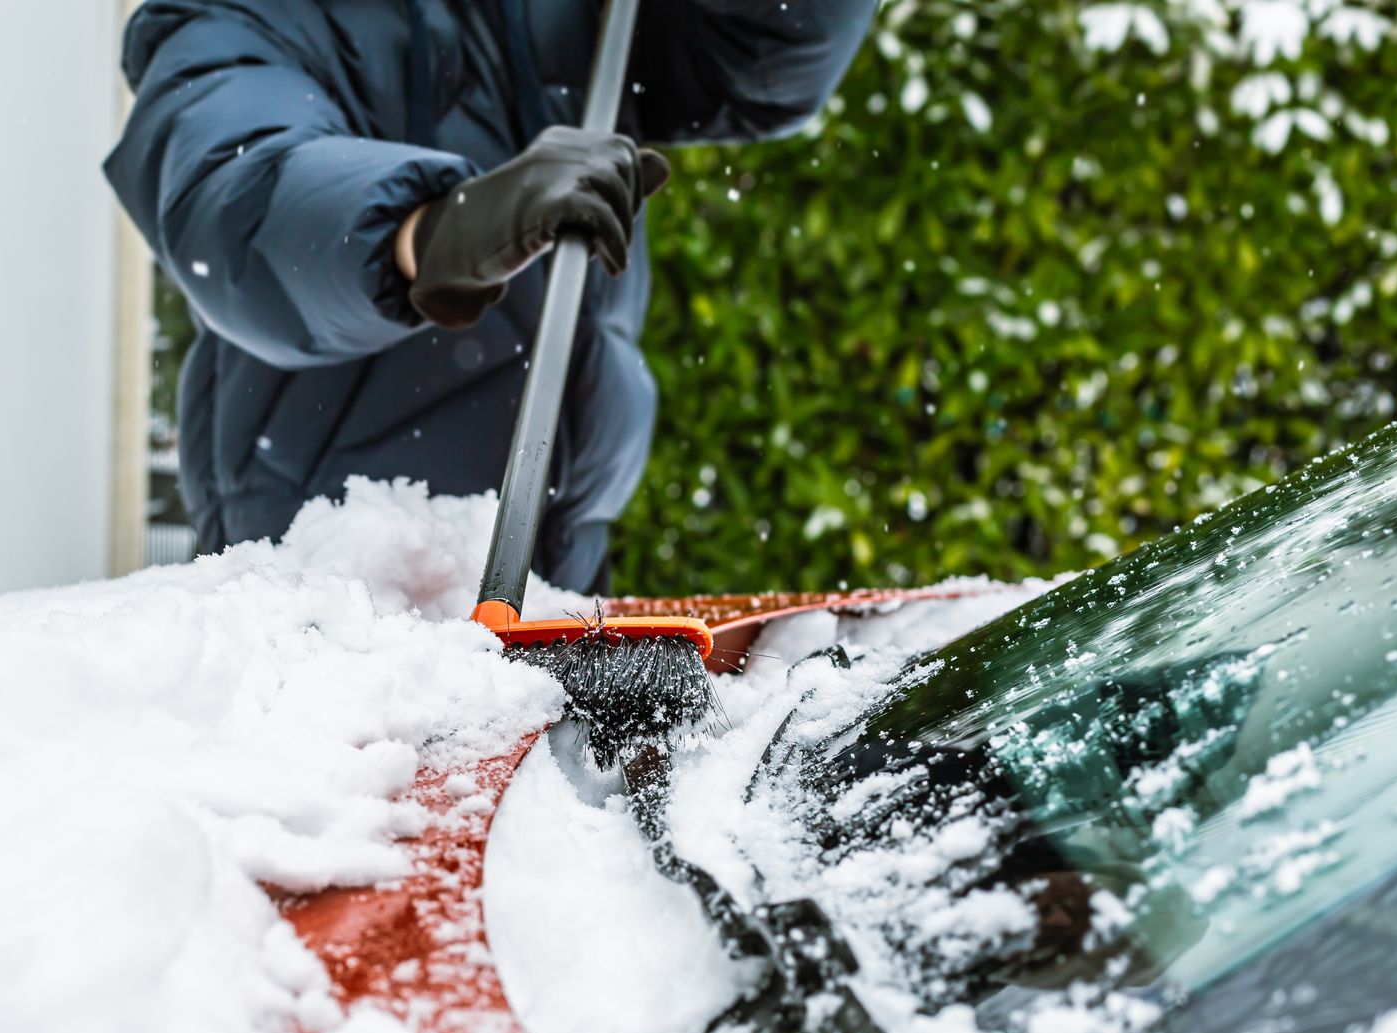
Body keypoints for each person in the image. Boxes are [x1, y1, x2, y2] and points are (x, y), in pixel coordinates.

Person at [106, 0, 874, 593]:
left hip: (556, 571)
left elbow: (767, 57)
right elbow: (236, 203)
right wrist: (431, 234)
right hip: (322, 590)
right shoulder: (239, 17)